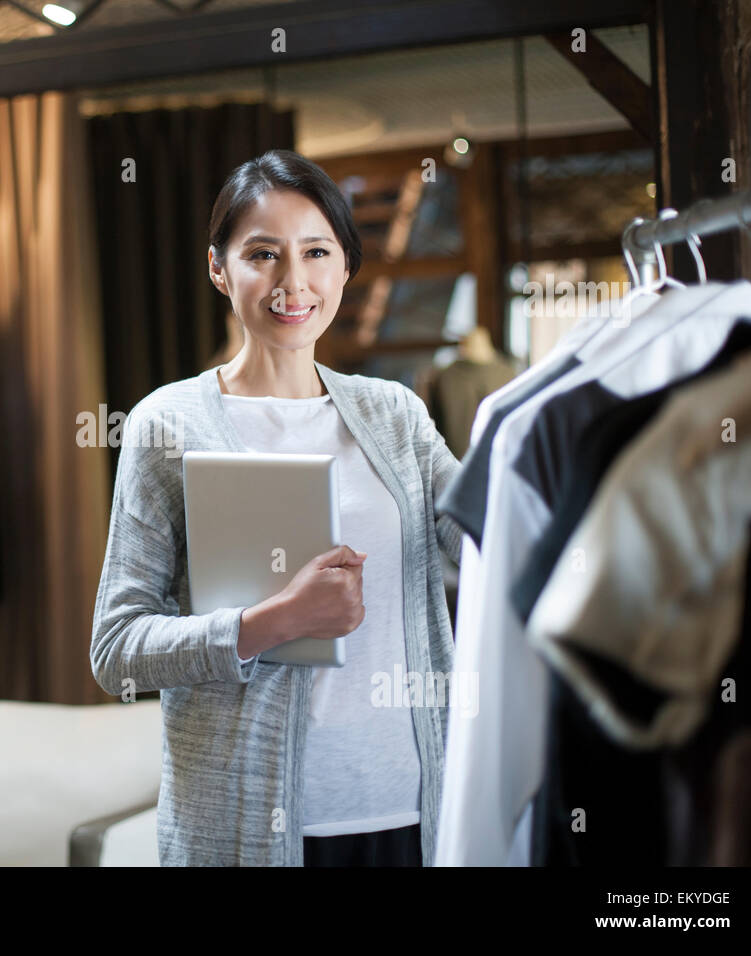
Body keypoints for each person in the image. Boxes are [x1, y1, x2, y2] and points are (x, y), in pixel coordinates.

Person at [90, 149, 464, 866]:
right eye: (263, 254)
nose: (293, 282)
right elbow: (117, 652)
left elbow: (478, 530)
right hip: (245, 831)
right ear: (218, 268)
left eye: (316, 252)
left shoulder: (395, 416)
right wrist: (271, 624)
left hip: (411, 815)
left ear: (346, 268)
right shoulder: (166, 425)